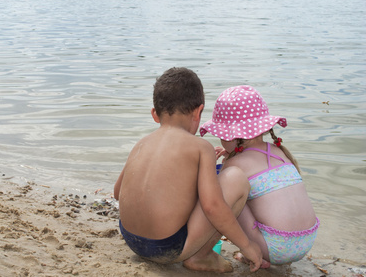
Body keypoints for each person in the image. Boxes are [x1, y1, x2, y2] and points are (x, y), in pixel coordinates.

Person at [114, 68, 263, 273]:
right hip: (166, 247)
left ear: (155, 115)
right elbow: (212, 206)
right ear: (198, 111)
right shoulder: (201, 147)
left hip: (131, 239)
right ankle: (201, 256)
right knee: (236, 178)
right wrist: (246, 246)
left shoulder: (141, 143)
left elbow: (117, 193)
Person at [200, 85, 320, 265]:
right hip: (307, 239)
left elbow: (220, 200)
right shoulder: (280, 152)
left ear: (234, 135)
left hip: (275, 247)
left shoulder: (235, 164)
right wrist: (230, 155)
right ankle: (264, 253)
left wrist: (222, 164)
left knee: (230, 197)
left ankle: (255, 253)